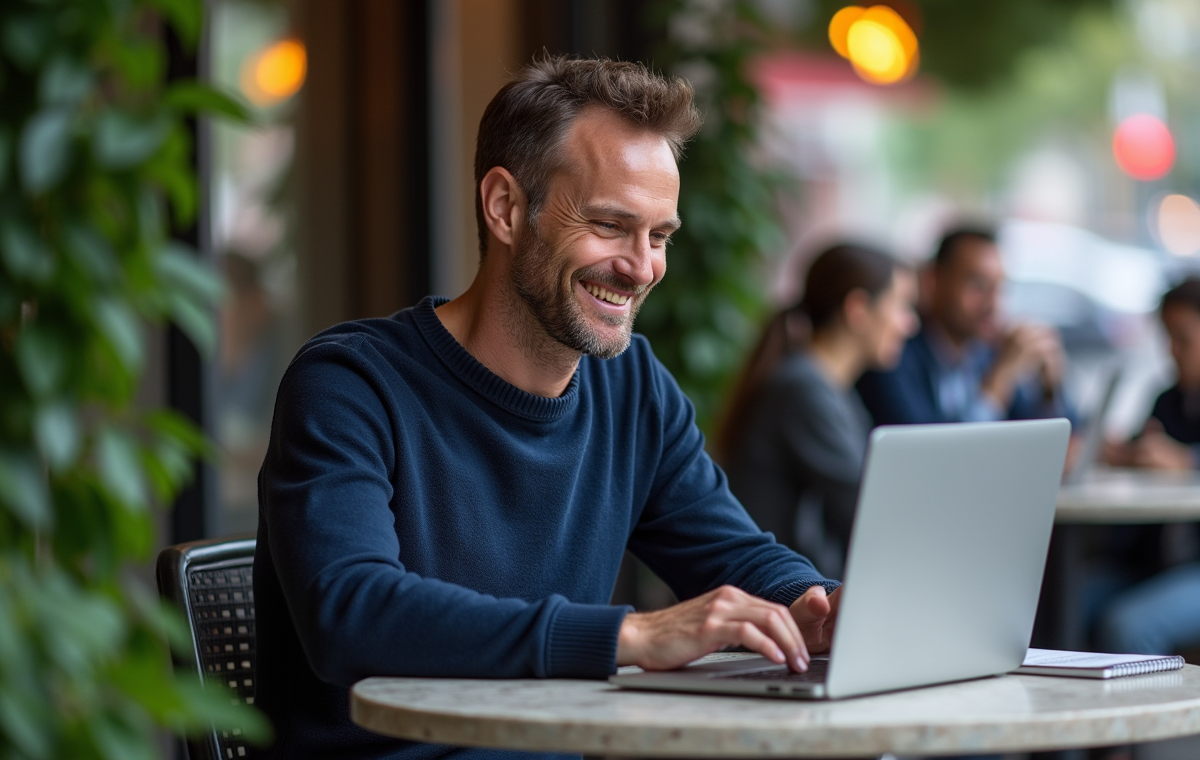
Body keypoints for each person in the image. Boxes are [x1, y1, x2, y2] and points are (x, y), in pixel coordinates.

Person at [252, 56, 842, 760]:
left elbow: (734, 556)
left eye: (658, 236)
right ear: (505, 207)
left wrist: (824, 607)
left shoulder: (634, 390)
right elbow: (349, 612)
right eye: (609, 224)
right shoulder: (351, 384)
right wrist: (634, 636)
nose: (641, 266)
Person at [717, 244, 917, 577]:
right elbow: (865, 512)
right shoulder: (805, 389)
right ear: (858, 309)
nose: (909, 324)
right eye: (901, 306)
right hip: (776, 599)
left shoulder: (826, 386)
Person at [856, 225, 1071, 427]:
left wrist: (1049, 389)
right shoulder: (892, 352)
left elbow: (1032, 437)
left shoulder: (987, 352)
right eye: (979, 286)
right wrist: (1001, 376)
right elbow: (932, 455)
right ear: (933, 281)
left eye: (1000, 288)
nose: (994, 305)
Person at [1094, 277, 1200, 656]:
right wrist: (1126, 456)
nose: (1172, 352)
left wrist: (1187, 461)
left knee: (1127, 628)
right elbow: (1149, 450)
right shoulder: (1169, 399)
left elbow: (1179, 459)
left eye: (1183, 339)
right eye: (1168, 338)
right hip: (1153, 561)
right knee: (1063, 596)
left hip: (1191, 568)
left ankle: (1136, 717)